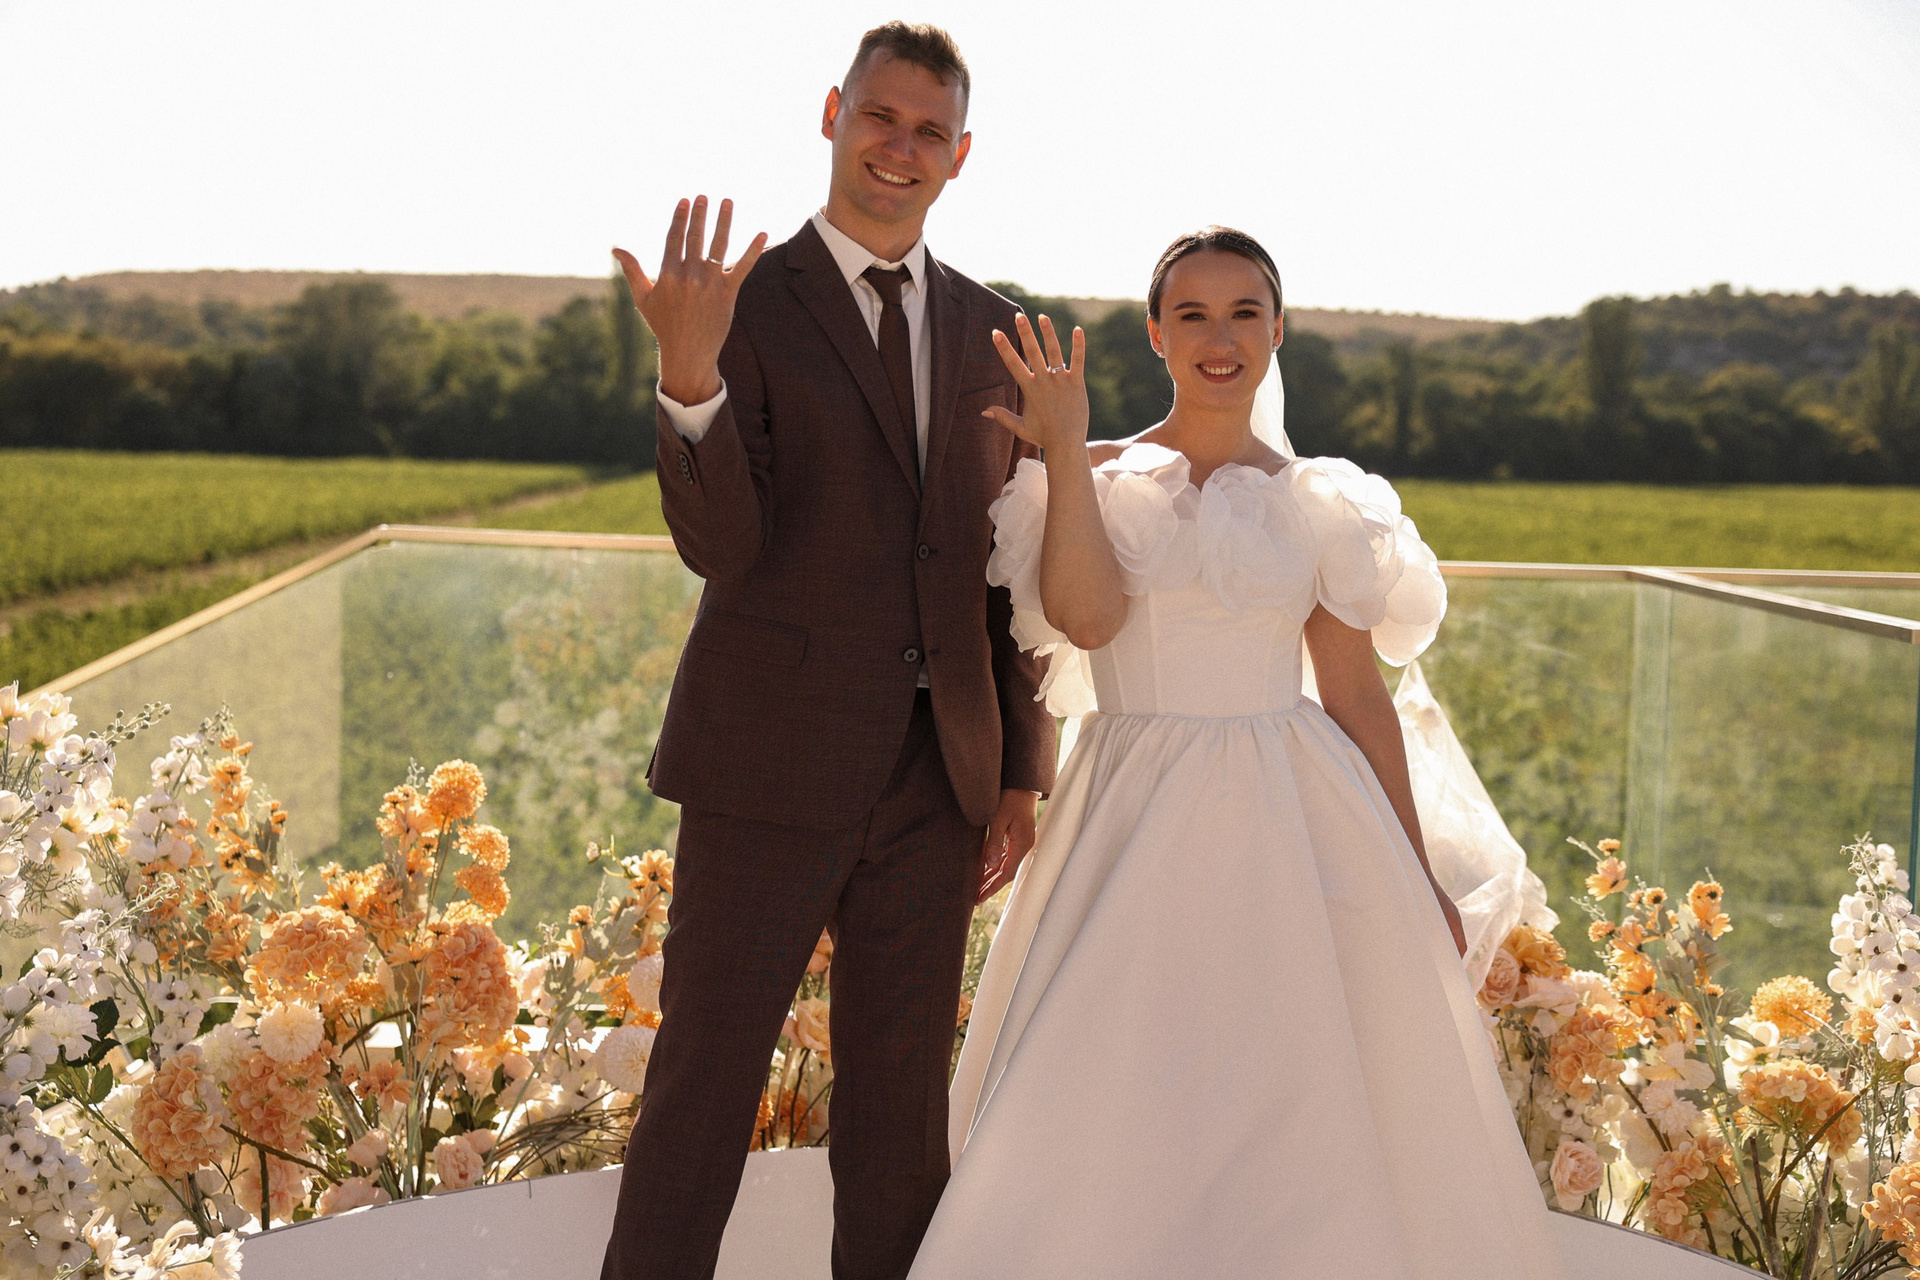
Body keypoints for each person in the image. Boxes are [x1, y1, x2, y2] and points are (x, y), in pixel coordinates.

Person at [908, 228, 1569, 1278]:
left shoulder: (1322, 501)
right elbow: (1085, 619)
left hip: (1293, 813)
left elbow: (1356, 696)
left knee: (1293, 1079)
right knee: (1113, 1069)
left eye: (1244, 313)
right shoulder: (1089, 473)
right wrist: (1067, 451)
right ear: (1156, 334)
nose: (1221, 338)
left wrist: (1416, 868)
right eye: (1194, 314)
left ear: (1277, 329)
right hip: (1128, 805)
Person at [599, 23, 1056, 1280]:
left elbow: (1006, 576)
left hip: (936, 784)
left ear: (961, 154)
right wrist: (687, 376)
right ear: (831, 115)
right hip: (766, 766)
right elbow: (723, 547)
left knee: (902, 1128)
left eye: (928, 130)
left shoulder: (994, 331)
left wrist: (1019, 770)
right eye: (878, 117)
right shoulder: (739, 306)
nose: (899, 148)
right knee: (702, 1095)